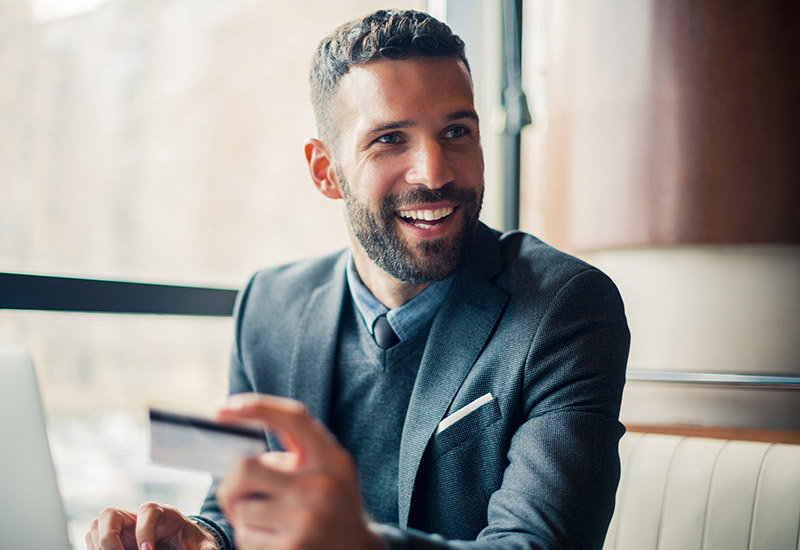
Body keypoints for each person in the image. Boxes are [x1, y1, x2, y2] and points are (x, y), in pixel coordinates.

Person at [86, 8, 629, 550]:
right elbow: (235, 501)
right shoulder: (267, 306)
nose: (435, 172)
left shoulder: (568, 306)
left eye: (456, 131)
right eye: (391, 139)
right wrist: (203, 539)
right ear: (326, 171)